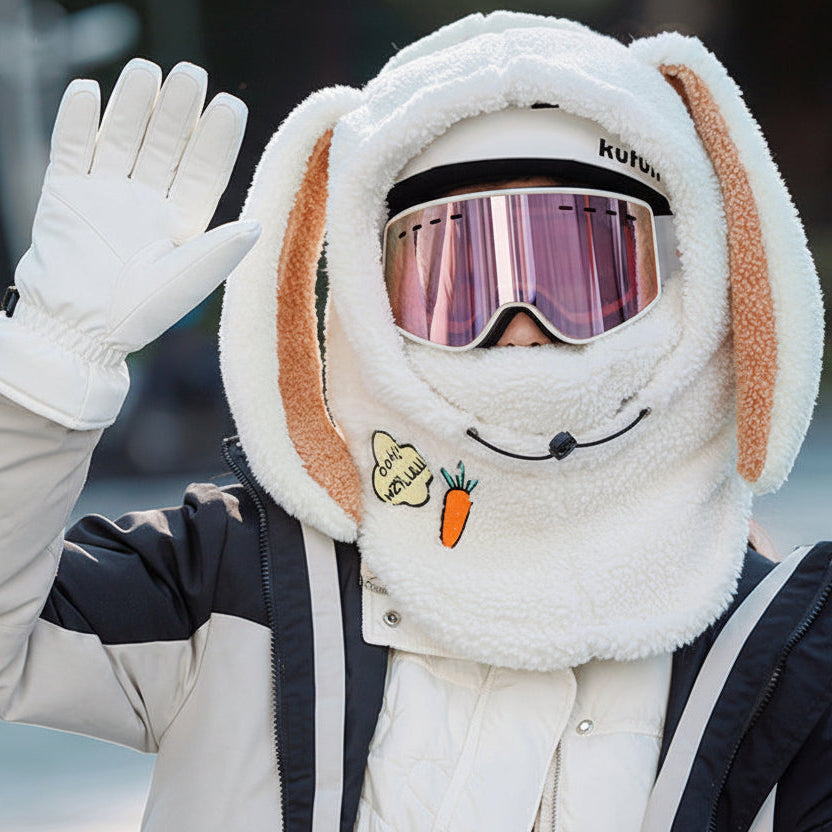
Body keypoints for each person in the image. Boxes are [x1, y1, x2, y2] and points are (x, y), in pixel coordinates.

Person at [0, 10, 829, 831]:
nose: (520, 324)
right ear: (367, 301)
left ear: (688, 281)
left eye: (579, 272)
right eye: (458, 280)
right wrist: (49, 364)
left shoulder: (777, 653)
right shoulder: (246, 576)